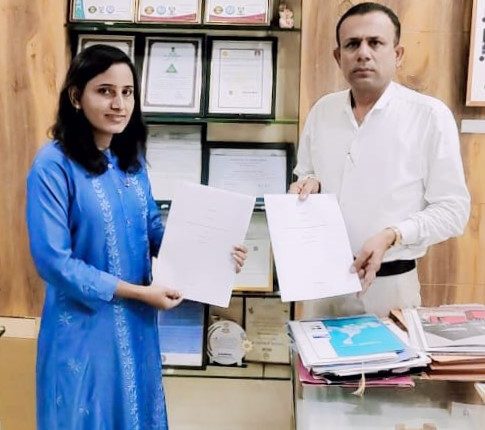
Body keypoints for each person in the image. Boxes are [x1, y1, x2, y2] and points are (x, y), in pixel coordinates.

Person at [26, 45, 247, 429]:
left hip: (136, 329)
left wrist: (216, 251)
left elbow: (152, 230)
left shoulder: (130, 162)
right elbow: (54, 263)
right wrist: (139, 293)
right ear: (76, 96)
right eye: (105, 91)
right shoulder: (52, 166)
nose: (119, 104)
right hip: (82, 335)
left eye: (127, 92)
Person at [289, 2, 470, 317]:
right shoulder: (322, 111)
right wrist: (309, 183)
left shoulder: (429, 116)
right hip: (323, 285)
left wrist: (393, 235)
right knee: (311, 352)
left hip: (391, 287)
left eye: (375, 43)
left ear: (397, 54)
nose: (363, 53)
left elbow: (453, 211)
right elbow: (307, 173)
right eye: (352, 44)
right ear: (338, 57)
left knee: (395, 353)